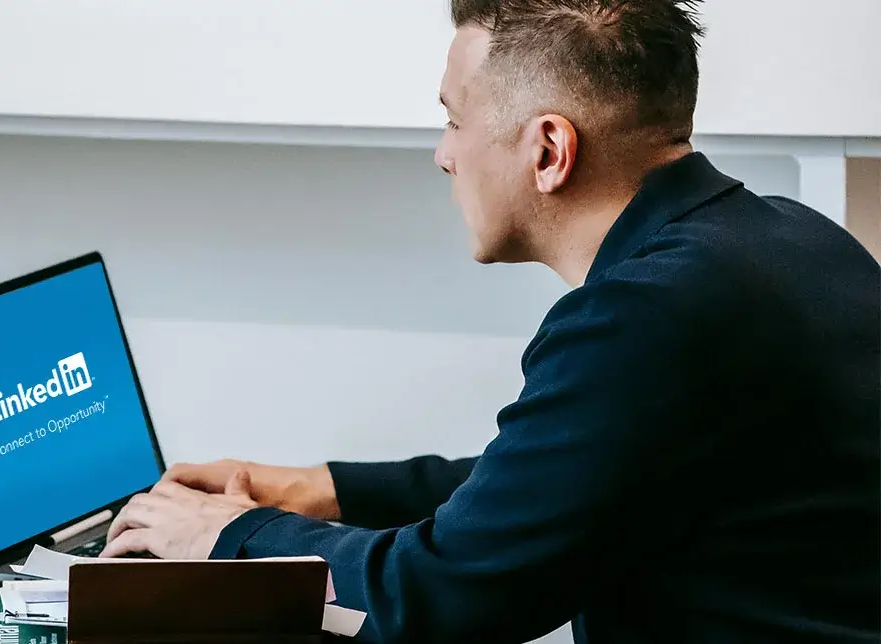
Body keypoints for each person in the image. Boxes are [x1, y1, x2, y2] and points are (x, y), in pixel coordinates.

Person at [99, 0, 881, 641]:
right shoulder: (792, 241)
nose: (444, 155)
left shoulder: (646, 317)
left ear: (548, 150)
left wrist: (227, 535)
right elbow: (566, 481)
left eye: (453, 119)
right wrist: (322, 489)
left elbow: (435, 599)